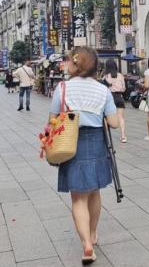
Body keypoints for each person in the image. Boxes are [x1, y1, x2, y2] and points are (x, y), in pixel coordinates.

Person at [50, 46, 120, 265]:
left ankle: (86, 245)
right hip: (96, 143)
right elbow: (114, 123)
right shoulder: (102, 90)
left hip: (70, 144)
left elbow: (52, 120)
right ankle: (93, 233)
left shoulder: (62, 88)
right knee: (94, 191)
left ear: (75, 64)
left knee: (78, 198)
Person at [102, 59, 127, 143]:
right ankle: (123, 136)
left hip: (110, 98)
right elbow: (124, 88)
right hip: (119, 97)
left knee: (106, 117)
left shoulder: (106, 76)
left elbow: (103, 88)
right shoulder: (120, 75)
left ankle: (105, 137)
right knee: (121, 117)